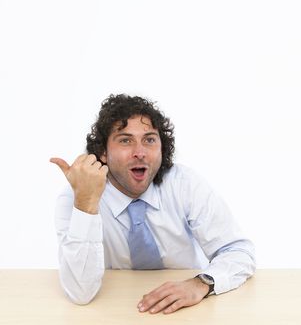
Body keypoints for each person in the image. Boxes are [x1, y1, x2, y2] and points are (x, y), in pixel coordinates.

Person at [50, 94, 255, 315]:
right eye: (125, 140)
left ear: (161, 148)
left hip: (188, 312)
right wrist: (86, 204)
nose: (140, 153)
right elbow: (80, 293)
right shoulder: (76, 197)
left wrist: (202, 283)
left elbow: (238, 251)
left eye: (149, 140)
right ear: (103, 153)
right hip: (112, 311)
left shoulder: (185, 184)